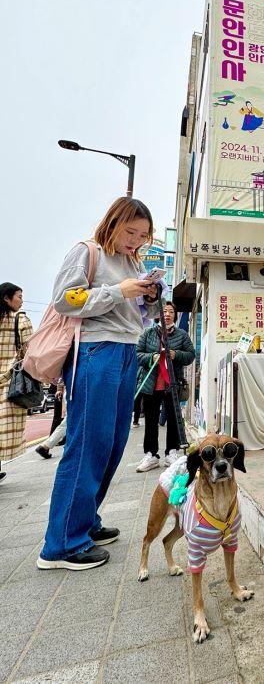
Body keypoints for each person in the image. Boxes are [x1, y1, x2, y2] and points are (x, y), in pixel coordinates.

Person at [37, 197, 159, 571]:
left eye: (143, 236)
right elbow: (65, 301)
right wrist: (118, 291)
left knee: (112, 443)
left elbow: (138, 315)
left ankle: (84, 521)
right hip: (94, 350)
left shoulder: (132, 262)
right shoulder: (86, 251)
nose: (136, 241)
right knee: (88, 442)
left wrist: (150, 296)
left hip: (125, 351)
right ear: (113, 223)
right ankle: (61, 545)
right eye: (130, 232)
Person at [136, 301, 195, 472]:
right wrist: (152, 358)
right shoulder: (148, 334)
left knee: (174, 420)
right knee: (151, 421)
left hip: (173, 384)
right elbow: (138, 354)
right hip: (151, 385)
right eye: (164, 311)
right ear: (158, 315)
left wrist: (176, 354)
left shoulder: (182, 334)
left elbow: (191, 355)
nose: (167, 314)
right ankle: (150, 455)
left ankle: (172, 452)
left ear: (175, 316)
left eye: (171, 312)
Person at [0, 283, 33, 480]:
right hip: (9, 385)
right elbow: (30, 353)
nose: (22, 301)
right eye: (19, 297)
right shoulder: (21, 320)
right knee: (4, 434)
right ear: (7, 298)